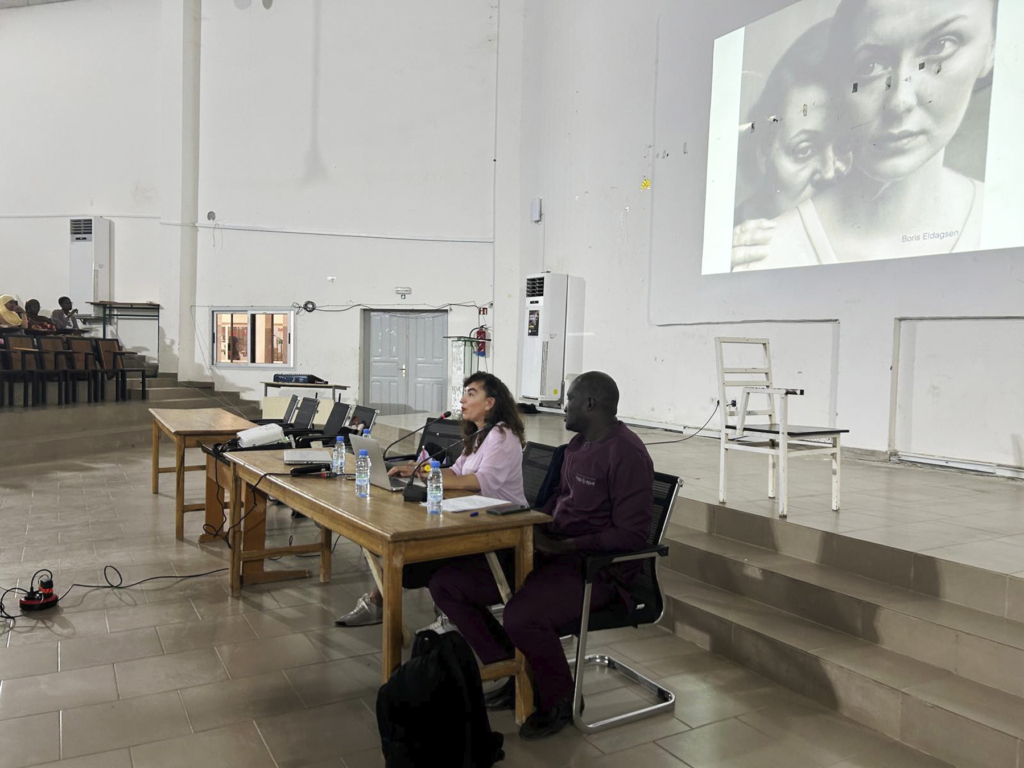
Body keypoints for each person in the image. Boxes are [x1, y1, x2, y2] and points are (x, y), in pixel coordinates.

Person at [429, 371, 654, 740]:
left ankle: (560, 700)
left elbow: (630, 535)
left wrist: (563, 546)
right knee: (448, 584)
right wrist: (530, 527)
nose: (562, 408)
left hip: (597, 570)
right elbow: (558, 502)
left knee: (522, 616)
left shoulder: (626, 453)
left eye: (568, 401)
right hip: (553, 551)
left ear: (590, 405)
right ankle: (513, 670)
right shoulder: (578, 446)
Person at [741, 0, 996, 270]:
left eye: (940, 46)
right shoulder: (761, 249)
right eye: (871, 65)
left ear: (991, 48)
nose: (900, 101)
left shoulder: (999, 214)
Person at [335, 372, 528, 627]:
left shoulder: (502, 436)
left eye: (471, 394)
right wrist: (418, 469)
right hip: (470, 515)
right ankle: (380, 603)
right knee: (407, 551)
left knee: (413, 553)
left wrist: (428, 475)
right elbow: (457, 471)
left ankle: (386, 605)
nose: (462, 400)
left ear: (490, 403)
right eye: (464, 393)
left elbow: (480, 481)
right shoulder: (480, 434)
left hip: (500, 528)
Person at [732, 20, 850, 270]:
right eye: (804, 150)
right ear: (764, 152)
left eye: (844, 145)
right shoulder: (722, 247)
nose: (829, 172)